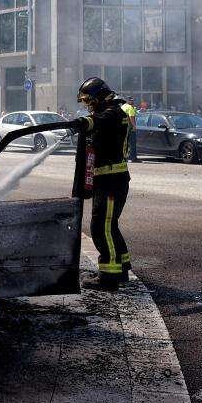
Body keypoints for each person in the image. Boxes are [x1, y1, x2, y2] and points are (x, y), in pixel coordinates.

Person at [67, 77, 132, 292]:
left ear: (99, 97)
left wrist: (84, 122)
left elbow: (101, 120)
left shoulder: (115, 112)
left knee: (100, 227)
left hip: (110, 182)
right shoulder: (112, 111)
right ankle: (121, 268)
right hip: (111, 180)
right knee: (109, 225)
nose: (88, 105)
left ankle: (108, 278)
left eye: (89, 100)